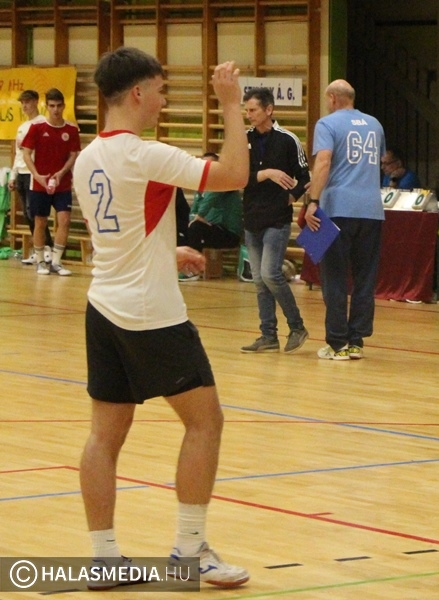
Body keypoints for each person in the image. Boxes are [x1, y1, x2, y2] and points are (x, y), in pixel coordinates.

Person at [73, 47, 250, 588]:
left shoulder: (87, 158)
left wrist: (164, 252)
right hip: (150, 314)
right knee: (205, 422)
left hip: (104, 307)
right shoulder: (145, 155)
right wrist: (231, 104)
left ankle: (104, 558)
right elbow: (234, 174)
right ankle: (189, 551)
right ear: (137, 93)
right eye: (160, 90)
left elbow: (117, 233)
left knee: (104, 437)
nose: (164, 100)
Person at [305, 79, 385, 360]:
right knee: (365, 279)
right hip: (371, 210)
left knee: (334, 278)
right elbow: (372, 162)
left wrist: (313, 200)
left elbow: (324, 161)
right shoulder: (375, 124)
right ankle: (356, 342)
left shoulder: (327, 124)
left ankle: (337, 343)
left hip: (337, 208)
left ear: (332, 98)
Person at [240, 87, 310, 354]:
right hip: (251, 217)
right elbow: (237, 176)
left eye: (253, 110)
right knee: (259, 280)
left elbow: (305, 178)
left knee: (270, 274)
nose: (248, 115)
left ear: (268, 110)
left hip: (277, 219)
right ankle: (268, 335)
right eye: (246, 110)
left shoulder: (288, 140)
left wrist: (291, 196)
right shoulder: (243, 139)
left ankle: (297, 326)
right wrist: (266, 173)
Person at [22, 88, 81, 276]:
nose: (56, 110)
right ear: (46, 107)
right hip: (40, 184)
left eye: (59, 106)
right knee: (40, 221)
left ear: (64, 106)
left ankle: (56, 262)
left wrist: (62, 173)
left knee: (65, 220)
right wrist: (37, 175)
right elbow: (26, 154)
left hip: (62, 184)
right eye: (52, 106)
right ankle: (41, 261)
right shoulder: (37, 128)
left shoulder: (71, 130)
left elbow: (73, 154)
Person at [179, 151, 243, 282]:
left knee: (196, 227)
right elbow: (194, 210)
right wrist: (195, 218)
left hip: (228, 234)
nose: (206, 168)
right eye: (203, 165)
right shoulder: (201, 187)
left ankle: (193, 270)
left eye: (210, 165)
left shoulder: (224, 183)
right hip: (210, 230)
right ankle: (181, 266)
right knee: (181, 228)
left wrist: (200, 217)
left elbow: (209, 201)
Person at [9, 89, 53, 265]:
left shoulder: (42, 124)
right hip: (21, 173)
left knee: (35, 213)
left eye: (27, 102)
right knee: (27, 214)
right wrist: (13, 175)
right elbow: (19, 154)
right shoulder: (22, 127)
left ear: (35, 101)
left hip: (33, 173)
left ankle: (47, 248)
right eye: (22, 103)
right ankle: (38, 249)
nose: (24, 106)